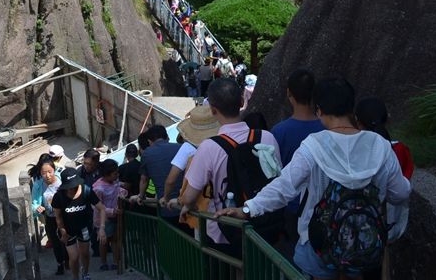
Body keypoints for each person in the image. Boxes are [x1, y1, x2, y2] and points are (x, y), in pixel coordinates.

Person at [219, 77, 410, 280]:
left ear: (320, 110)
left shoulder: (315, 145)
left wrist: (248, 208)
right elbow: (400, 191)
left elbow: (285, 187)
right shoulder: (378, 145)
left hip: (320, 238)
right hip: (360, 237)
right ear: (352, 109)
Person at [180, 79, 280, 256]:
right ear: (242, 102)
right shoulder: (267, 137)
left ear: (213, 110)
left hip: (224, 230)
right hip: (265, 225)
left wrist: (182, 203)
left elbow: (189, 198)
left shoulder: (209, 147)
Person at [353, 96, 414, 280]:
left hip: (360, 220)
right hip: (390, 221)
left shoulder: (357, 148)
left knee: (356, 263)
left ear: (358, 122)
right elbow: (404, 187)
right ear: (388, 119)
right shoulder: (400, 149)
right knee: (375, 267)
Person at [271, 68, 325, 251]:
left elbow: (275, 171)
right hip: (323, 203)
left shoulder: (279, 131)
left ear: (289, 94)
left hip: (291, 205)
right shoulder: (326, 130)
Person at [52, 167, 101, 280]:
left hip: (84, 226)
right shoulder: (58, 197)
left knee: (85, 253)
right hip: (67, 229)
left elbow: (102, 207)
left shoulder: (86, 191)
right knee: (73, 257)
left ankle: (85, 272)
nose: (72, 188)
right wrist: (62, 231)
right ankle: (75, 278)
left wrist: (102, 227)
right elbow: (58, 217)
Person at [31, 154, 69, 275]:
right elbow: (33, 204)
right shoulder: (38, 185)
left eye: (50, 172)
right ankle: (60, 264)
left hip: (64, 216)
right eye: (43, 173)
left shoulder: (62, 181)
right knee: (55, 242)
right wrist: (37, 208)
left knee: (66, 239)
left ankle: (69, 259)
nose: (47, 175)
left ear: (54, 170)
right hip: (50, 217)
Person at [136, 125, 182, 219]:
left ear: (149, 141)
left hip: (165, 206)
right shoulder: (180, 148)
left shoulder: (146, 154)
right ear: (166, 136)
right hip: (186, 205)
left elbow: (144, 180)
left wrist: (141, 196)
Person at [93, 160, 127, 270]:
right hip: (104, 219)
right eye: (115, 173)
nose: (117, 175)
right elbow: (96, 206)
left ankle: (116, 262)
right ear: (107, 174)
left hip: (116, 216)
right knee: (104, 241)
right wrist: (111, 211)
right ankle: (104, 262)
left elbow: (119, 191)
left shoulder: (115, 182)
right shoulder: (98, 188)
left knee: (116, 239)